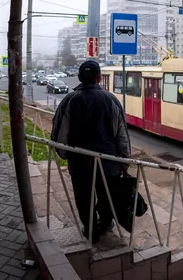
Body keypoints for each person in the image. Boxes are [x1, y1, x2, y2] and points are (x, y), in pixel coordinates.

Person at [51, 60, 131, 243]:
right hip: (109, 164)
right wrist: (125, 162)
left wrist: (66, 155)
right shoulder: (112, 100)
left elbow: (59, 136)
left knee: (83, 197)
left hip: (80, 165)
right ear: (99, 78)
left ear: (79, 78)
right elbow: (122, 136)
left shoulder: (69, 100)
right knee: (106, 194)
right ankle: (105, 223)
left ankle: (91, 229)